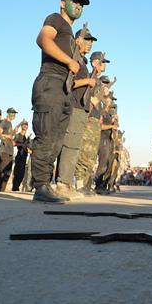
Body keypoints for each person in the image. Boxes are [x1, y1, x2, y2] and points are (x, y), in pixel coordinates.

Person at [31, 0, 88, 203]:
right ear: (63, 3)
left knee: (56, 140)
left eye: (81, 4)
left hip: (63, 89)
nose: (79, 6)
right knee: (46, 136)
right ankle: (40, 187)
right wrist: (68, 61)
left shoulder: (71, 34)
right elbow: (43, 39)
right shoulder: (55, 19)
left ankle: (46, 185)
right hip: (50, 83)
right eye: (75, 2)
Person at [56, 25, 97, 198]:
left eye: (91, 41)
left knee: (74, 146)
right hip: (74, 106)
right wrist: (88, 80)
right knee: (70, 144)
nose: (89, 44)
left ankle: (65, 183)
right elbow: (69, 83)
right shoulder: (75, 59)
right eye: (86, 40)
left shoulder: (82, 61)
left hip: (81, 108)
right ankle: (62, 184)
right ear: (77, 40)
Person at [75, 59, 111, 195]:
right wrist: (92, 100)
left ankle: (85, 184)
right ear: (95, 63)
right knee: (84, 153)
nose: (104, 65)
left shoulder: (97, 81)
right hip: (88, 119)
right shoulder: (91, 77)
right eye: (102, 62)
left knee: (91, 156)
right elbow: (84, 95)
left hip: (95, 121)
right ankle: (79, 184)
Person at [0, 108, 18, 191]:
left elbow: (10, 136)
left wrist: (13, 135)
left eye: (14, 113)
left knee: (8, 171)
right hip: (4, 150)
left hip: (10, 150)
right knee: (2, 170)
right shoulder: (3, 121)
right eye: (12, 113)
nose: (13, 115)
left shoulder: (10, 123)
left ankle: (2, 190)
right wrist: (7, 136)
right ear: (8, 113)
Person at [12, 120, 30, 192]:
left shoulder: (26, 137)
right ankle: (14, 188)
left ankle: (17, 187)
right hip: (19, 156)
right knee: (17, 172)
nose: (25, 126)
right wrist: (21, 145)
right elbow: (13, 143)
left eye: (26, 125)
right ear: (21, 126)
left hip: (24, 157)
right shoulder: (18, 135)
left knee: (22, 174)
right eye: (24, 125)